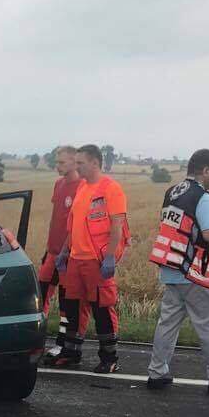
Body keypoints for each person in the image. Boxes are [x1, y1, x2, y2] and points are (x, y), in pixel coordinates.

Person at [146, 149, 209, 395]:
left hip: (171, 269)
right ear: (205, 171)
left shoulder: (173, 192)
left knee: (167, 324)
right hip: (195, 273)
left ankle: (156, 373)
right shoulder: (203, 197)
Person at [50, 144, 126, 373]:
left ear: (94, 162)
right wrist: (64, 251)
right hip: (75, 259)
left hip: (97, 260)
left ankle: (109, 358)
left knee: (102, 309)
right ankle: (71, 352)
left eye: (81, 162)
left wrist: (110, 257)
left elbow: (117, 226)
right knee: (72, 308)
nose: (77, 166)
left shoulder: (111, 189)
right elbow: (73, 225)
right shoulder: (83, 187)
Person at [39, 145, 80, 361]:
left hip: (68, 255)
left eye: (62, 162)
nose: (58, 166)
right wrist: (48, 250)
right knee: (39, 295)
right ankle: (36, 339)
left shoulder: (81, 186)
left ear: (75, 162)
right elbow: (56, 220)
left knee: (67, 303)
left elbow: (74, 225)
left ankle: (63, 346)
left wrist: (65, 251)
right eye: (57, 162)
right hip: (52, 252)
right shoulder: (59, 184)